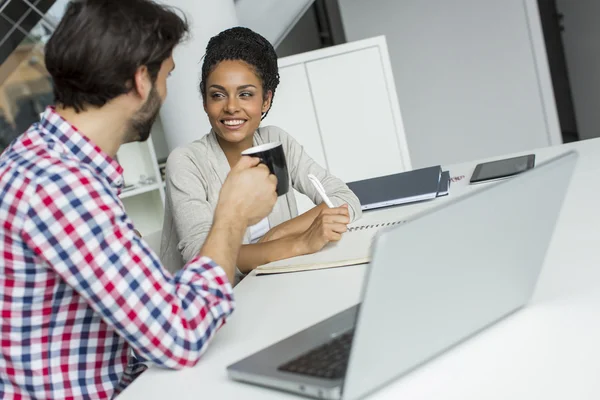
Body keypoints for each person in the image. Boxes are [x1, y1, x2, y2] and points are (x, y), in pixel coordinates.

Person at [0, 1, 278, 398]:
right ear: (140, 81)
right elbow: (179, 333)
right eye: (166, 77)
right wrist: (232, 216)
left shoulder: (46, 159)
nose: (165, 93)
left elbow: (146, 310)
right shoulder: (61, 187)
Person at [160, 27, 362, 278]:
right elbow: (203, 262)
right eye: (218, 95)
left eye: (245, 94)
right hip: (213, 308)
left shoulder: (276, 141)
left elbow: (345, 199)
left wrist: (279, 233)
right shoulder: (187, 162)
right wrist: (300, 243)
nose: (231, 107)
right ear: (204, 101)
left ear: (266, 100)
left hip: (275, 284)